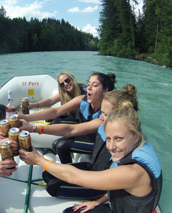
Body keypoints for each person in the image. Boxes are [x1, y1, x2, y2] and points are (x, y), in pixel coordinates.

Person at [19, 103, 162, 213]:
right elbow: (120, 186)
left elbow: (73, 176)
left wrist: (38, 160)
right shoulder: (136, 148)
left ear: (136, 137)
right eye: (109, 139)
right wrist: (98, 202)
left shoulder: (133, 172)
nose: (111, 146)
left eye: (119, 139)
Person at [21, 84, 138, 199]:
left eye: (105, 114)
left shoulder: (126, 144)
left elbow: (119, 181)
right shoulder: (102, 124)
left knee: (52, 187)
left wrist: (100, 200)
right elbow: (71, 129)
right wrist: (33, 128)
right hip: (93, 168)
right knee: (47, 175)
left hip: (101, 184)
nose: (101, 117)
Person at [19, 72, 116, 163]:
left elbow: (72, 129)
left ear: (105, 90)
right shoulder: (82, 99)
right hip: (84, 135)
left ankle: (68, 174)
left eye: (94, 85)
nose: (89, 88)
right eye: (89, 84)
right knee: (58, 133)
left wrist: (34, 128)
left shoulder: (105, 115)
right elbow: (56, 111)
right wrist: (26, 117)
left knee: (61, 145)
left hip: (97, 144)